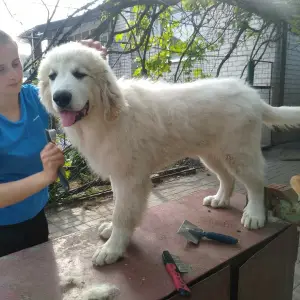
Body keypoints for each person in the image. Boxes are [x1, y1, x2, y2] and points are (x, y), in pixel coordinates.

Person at [0, 30, 107, 257]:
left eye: (15, 63)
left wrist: (81, 56)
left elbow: (65, 83)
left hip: (37, 214)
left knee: (45, 281)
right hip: (3, 231)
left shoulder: (32, 97)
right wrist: (45, 177)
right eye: (0, 70)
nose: (13, 75)